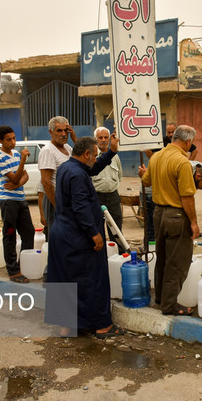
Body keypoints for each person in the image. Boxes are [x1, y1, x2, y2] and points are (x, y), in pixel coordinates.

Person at [45, 136, 125, 339]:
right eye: (95, 155)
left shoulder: (67, 167)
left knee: (64, 280)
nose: (96, 159)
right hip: (78, 236)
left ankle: (66, 326)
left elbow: (95, 168)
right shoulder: (78, 175)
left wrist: (112, 152)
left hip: (61, 234)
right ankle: (101, 326)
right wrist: (94, 233)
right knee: (93, 279)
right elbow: (81, 207)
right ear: (87, 154)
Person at [139, 125, 199, 316]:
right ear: (188, 142)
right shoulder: (182, 162)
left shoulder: (156, 157)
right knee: (177, 262)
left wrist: (143, 173)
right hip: (176, 215)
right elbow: (187, 196)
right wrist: (194, 222)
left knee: (162, 257)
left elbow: (146, 181)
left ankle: (161, 298)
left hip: (158, 213)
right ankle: (170, 304)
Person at [0, 125, 35, 283]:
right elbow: (17, 177)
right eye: (8, 140)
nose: (13, 142)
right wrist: (22, 163)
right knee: (9, 234)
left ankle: (24, 265)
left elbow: (24, 176)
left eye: (14, 138)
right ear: (0, 141)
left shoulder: (16, 154)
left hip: (20, 199)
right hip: (8, 201)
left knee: (28, 233)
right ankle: (13, 270)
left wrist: (17, 183)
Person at [38, 116, 77, 233]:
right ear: (51, 132)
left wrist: (75, 139)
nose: (64, 134)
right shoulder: (48, 151)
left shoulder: (68, 148)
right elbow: (46, 182)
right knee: (57, 236)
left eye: (66, 130)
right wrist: (58, 206)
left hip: (67, 201)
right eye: (59, 131)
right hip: (55, 201)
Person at [91, 127, 125, 252]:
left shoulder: (115, 156)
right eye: (100, 138)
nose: (104, 140)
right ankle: (99, 257)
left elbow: (120, 175)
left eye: (106, 137)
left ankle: (119, 254)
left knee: (116, 229)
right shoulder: (91, 157)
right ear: (95, 139)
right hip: (96, 198)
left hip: (113, 197)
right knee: (96, 230)